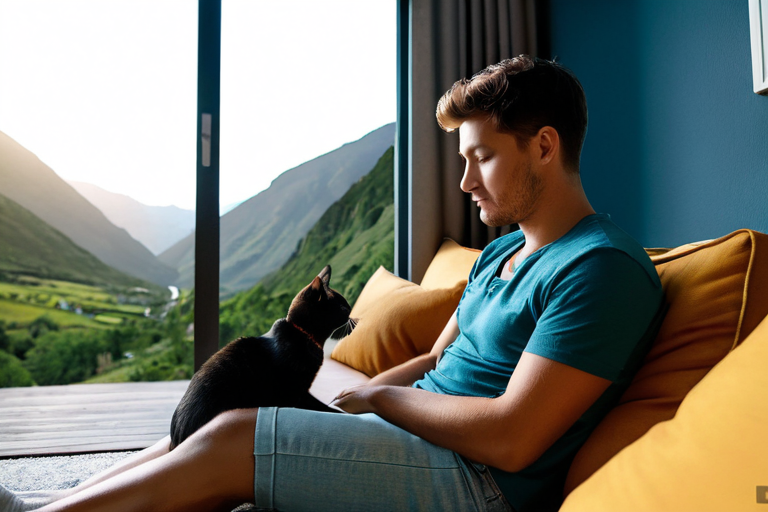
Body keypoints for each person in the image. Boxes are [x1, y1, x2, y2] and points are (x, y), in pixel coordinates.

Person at [0, 55, 664, 512]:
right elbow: (436, 361)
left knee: (236, 437)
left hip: (474, 483)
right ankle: (50, 504)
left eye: (481, 158)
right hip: (422, 438)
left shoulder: (600, 269)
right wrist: (355, 395)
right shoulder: (498, 258)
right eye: (461, 162)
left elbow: (513, 436)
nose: (464, 183)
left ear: (544, 147)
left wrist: (376, 399)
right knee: (222, 405)